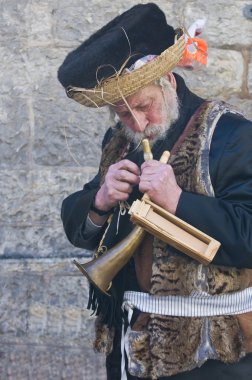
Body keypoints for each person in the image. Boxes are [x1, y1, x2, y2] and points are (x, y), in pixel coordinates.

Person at [58, 3, 252, 379]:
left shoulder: (233, 136)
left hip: (215, 356)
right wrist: (100, 200)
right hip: (133, 344)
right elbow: (77, 223)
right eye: (123, 113)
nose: (138, 123)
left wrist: (178, 202)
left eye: (144, 107)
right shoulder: (119, 140)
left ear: (168, 82)